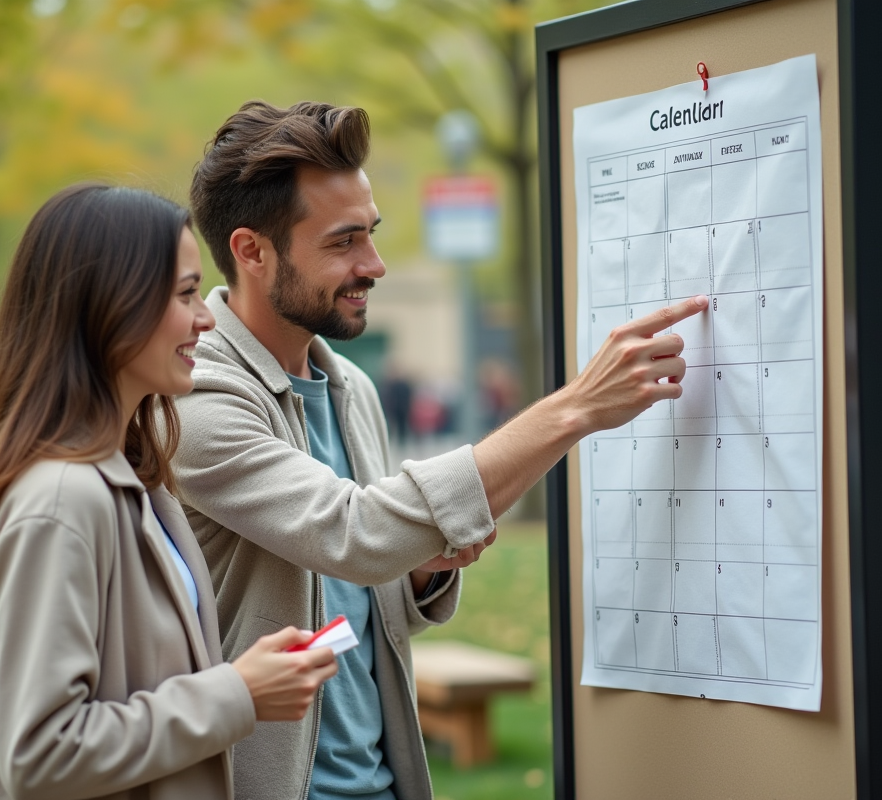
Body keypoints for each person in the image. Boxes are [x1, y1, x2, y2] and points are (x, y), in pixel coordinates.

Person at [177, 101, 706, 800]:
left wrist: (419, 573)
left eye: (372, 234)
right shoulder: (197, 398)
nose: (375, 264)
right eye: (343, 243)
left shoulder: (350, 388)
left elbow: (362, 602)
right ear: (252, 251)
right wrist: (574, 407)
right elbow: (353, 533)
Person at [0, 184, 338, 800]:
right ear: (108, 309)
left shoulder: (137, 482)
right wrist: (237, 693)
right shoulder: (63, 501)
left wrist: (243, 677)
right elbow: (41, 754)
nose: (206, 317)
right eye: (184, 294)